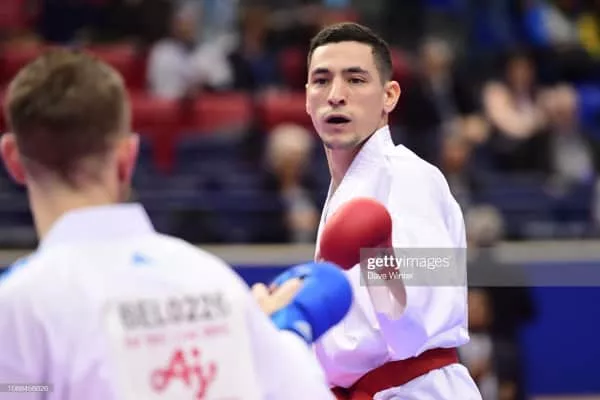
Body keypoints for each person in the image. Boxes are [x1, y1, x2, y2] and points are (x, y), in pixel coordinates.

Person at [0, 48, 343, 400]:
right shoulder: (214, 282)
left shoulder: (19, 306)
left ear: (12, 159)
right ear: (128, 156)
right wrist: (288, 330)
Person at [304, 22, 482, 399]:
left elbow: (410, 329)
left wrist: (379, 256)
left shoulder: (409, 177)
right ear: (307, 97)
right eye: (321, 80)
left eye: (355, 80)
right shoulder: (344, 191)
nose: (335, 95)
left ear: (389, 96)